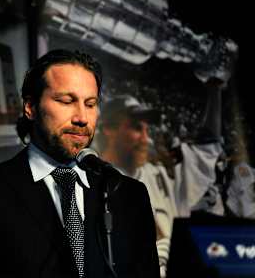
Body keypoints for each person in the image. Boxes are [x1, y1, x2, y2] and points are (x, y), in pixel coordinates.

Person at [0, 49, 160, 278]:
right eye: (66, 101)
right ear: (30, 107)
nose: (82, 117)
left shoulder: (129, 194)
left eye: (91, 104)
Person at [96, 78, 226, 277]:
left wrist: (215, 87)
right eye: (136, 128)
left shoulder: (164, 176)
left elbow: (207, 148)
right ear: (109, 129)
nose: (145, 138)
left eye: (147, 130)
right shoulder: (87, 184)